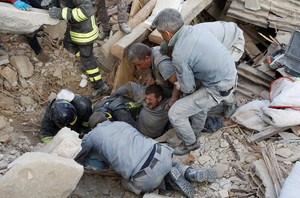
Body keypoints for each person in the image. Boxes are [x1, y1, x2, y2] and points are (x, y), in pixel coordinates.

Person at [152, 8, 237, 155]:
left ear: (167, 33)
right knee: (199, 103)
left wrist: (178, 91)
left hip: (217, 86)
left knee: (175, 113)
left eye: (161, 34)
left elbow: (188, 88)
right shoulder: (196, 30)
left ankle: (190, 143)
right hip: (230, 74)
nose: (162, 37)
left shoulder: (180, 54)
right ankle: (230, 106)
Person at [75, 111, 217, 197]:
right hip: (161, 152)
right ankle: (190, 173)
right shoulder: (121, 124)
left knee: (125, 183)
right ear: (106, 120)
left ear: (93, 127)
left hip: (144, 175)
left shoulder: (93, 135)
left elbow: (80, 150)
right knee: (167, 164)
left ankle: (169, 183)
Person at [41, 0, 109, 99]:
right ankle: (88, 61)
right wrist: (52, 5)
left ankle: (100, 86)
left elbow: (86, 10)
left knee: (87, 58)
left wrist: (62, 13)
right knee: (68, 44)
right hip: (74, 27)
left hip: (85, 31)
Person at [96, 83, 170, 138]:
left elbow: (175, 100)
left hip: (143, 136)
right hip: (135, 124)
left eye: (150, 99)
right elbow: (129, 85)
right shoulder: (143, 93)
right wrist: (114, 95)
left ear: (159, 98)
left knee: (120, 112)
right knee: (118, 102)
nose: (147, 102)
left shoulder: (165, 107)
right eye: (146, 98)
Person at [127, 43, 181, 109]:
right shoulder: (152, 52)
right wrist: (152, 77)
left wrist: (172, 102)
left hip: (178, 91)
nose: (138, 68)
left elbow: (179, 83)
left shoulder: (163, 66)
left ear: (147, 58)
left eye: (139, 64)